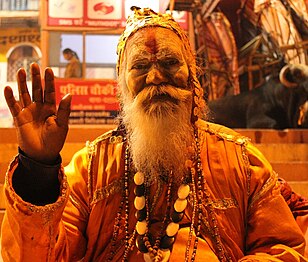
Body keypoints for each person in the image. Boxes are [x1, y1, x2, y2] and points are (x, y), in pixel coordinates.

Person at [1, 7, 307, 262]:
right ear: (122, 86)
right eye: (141, 66)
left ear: (192, 77)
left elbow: (285, 249)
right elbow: (39, 255)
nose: (156, 77)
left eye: (170, 63)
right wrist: (38, 171)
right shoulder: (91, 168)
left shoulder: (240, 160)